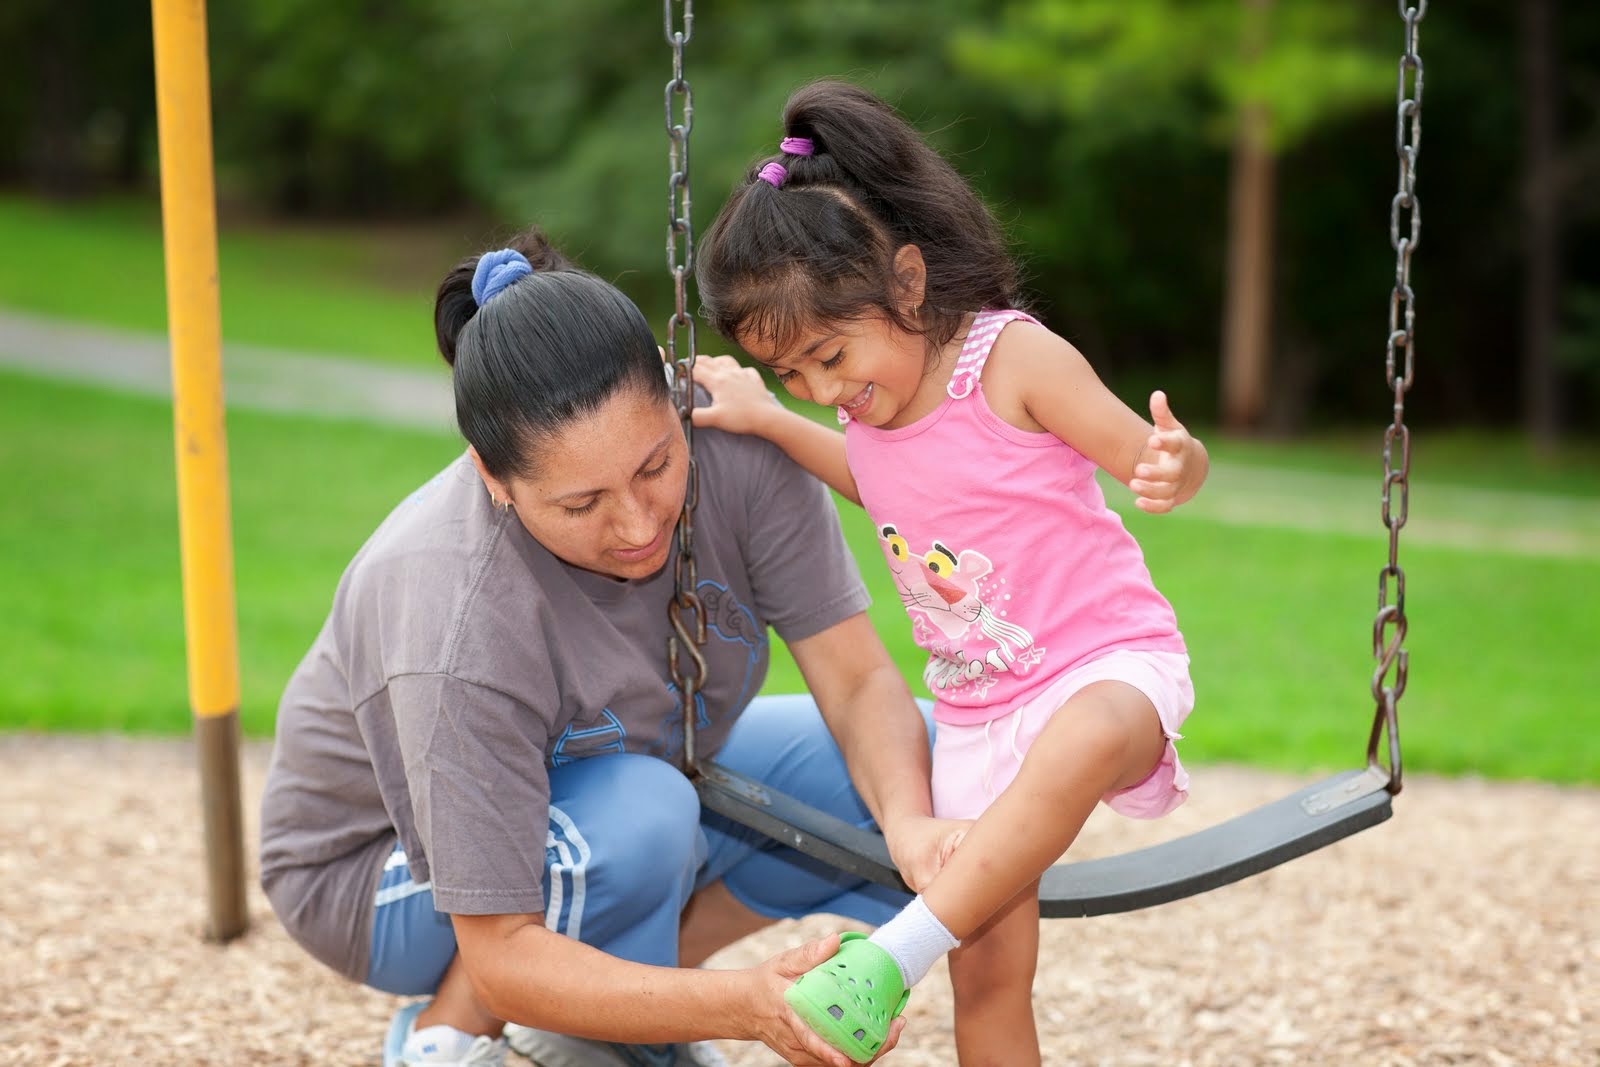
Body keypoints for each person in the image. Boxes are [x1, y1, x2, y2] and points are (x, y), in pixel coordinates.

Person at [258, 229, 958, 1067]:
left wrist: (911, 824)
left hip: (627, 783)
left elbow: (855, 684)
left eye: (656, 464)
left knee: (927, 768)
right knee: (642, 815)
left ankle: (613, 1009)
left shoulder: (742, 451)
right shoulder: (451, 604)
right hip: (376, 875)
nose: (637, 525)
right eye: (582, 504)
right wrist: (743, 1005)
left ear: (675, 394)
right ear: (492, 476)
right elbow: (504, 949)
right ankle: (449, 1032)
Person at [693, 80, 1209, 1066]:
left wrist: (1175, 461)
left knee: (1090, 727)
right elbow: (886, 489)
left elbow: (1146, 450)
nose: (825, 388)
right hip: (976, 714)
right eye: (792, 375)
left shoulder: (1011, 360)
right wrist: (770, 421)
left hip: (1105, 664)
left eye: (830, 355)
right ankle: (935, 944)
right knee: (990, 976)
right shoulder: (860, 410)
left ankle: (898, 946)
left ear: (908, 280)